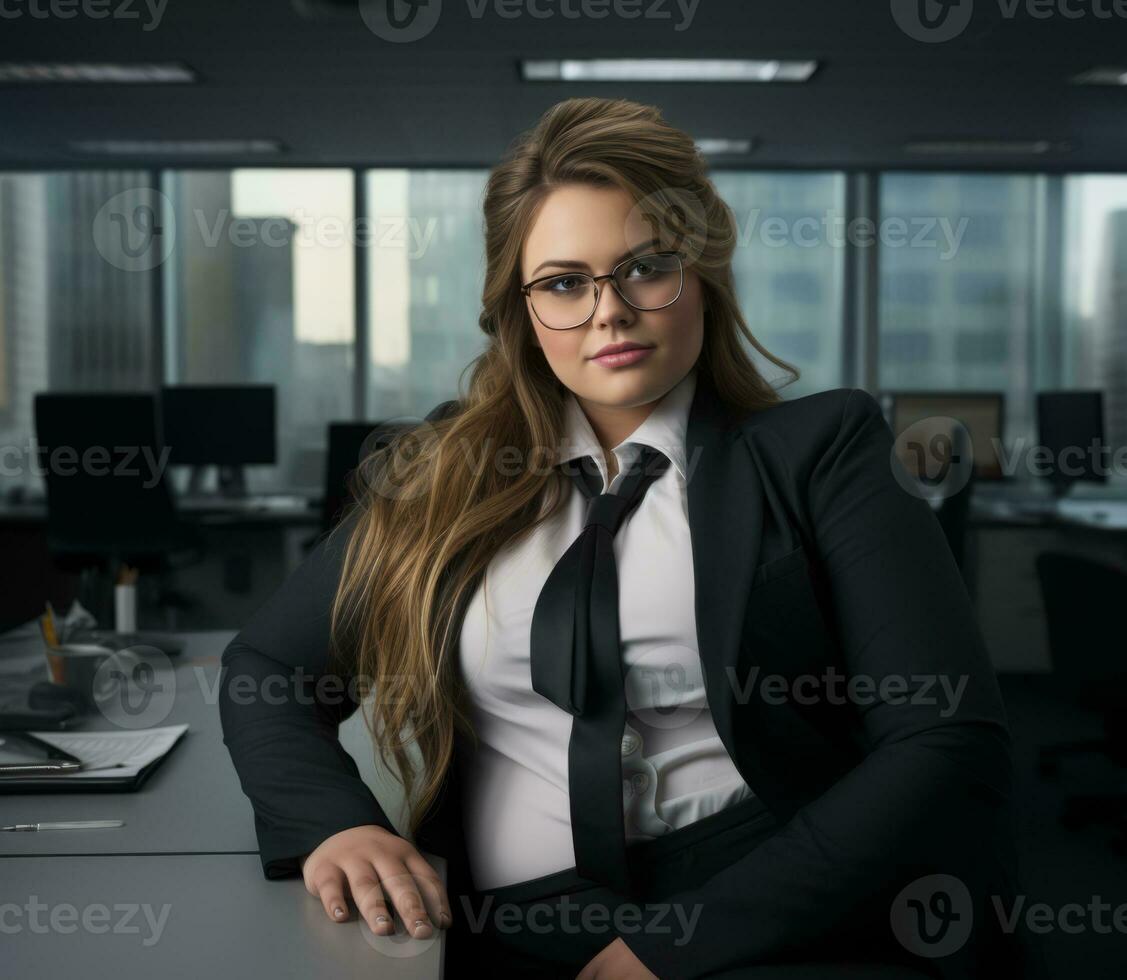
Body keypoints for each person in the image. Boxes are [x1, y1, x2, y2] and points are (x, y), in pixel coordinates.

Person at [219, 97, 1030, 979]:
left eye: (643, 268)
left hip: (758, 917)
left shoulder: (820, 451)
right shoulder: (445, 473)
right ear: (519, 308)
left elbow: (945, 735)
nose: (607, 312)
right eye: (564, 282)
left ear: (701, 275)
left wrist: (677, 946)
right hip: (505, 925)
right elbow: (268, 669)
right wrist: (337, 823)